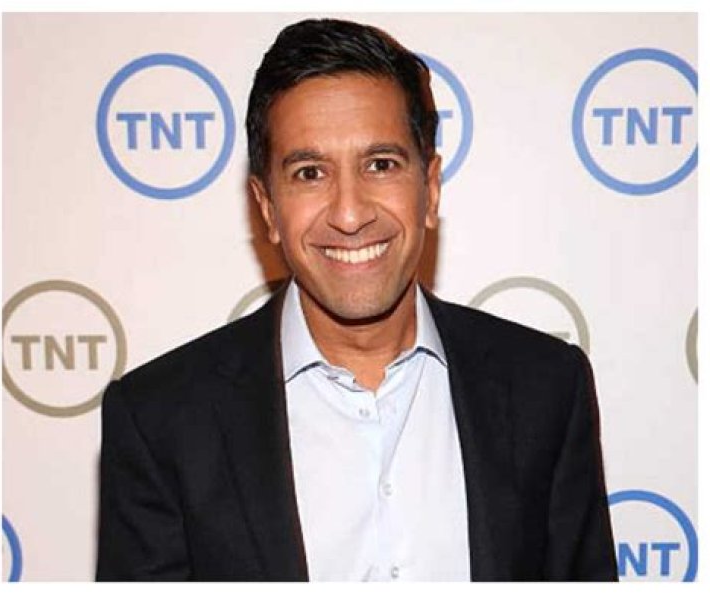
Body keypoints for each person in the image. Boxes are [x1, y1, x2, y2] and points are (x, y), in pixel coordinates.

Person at [96, 18, 617, 581]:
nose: (349, 214)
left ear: (430, 188)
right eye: (310, 172)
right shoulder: (160, 420)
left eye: (381, 165)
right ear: (267, 207)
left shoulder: (546, 388)